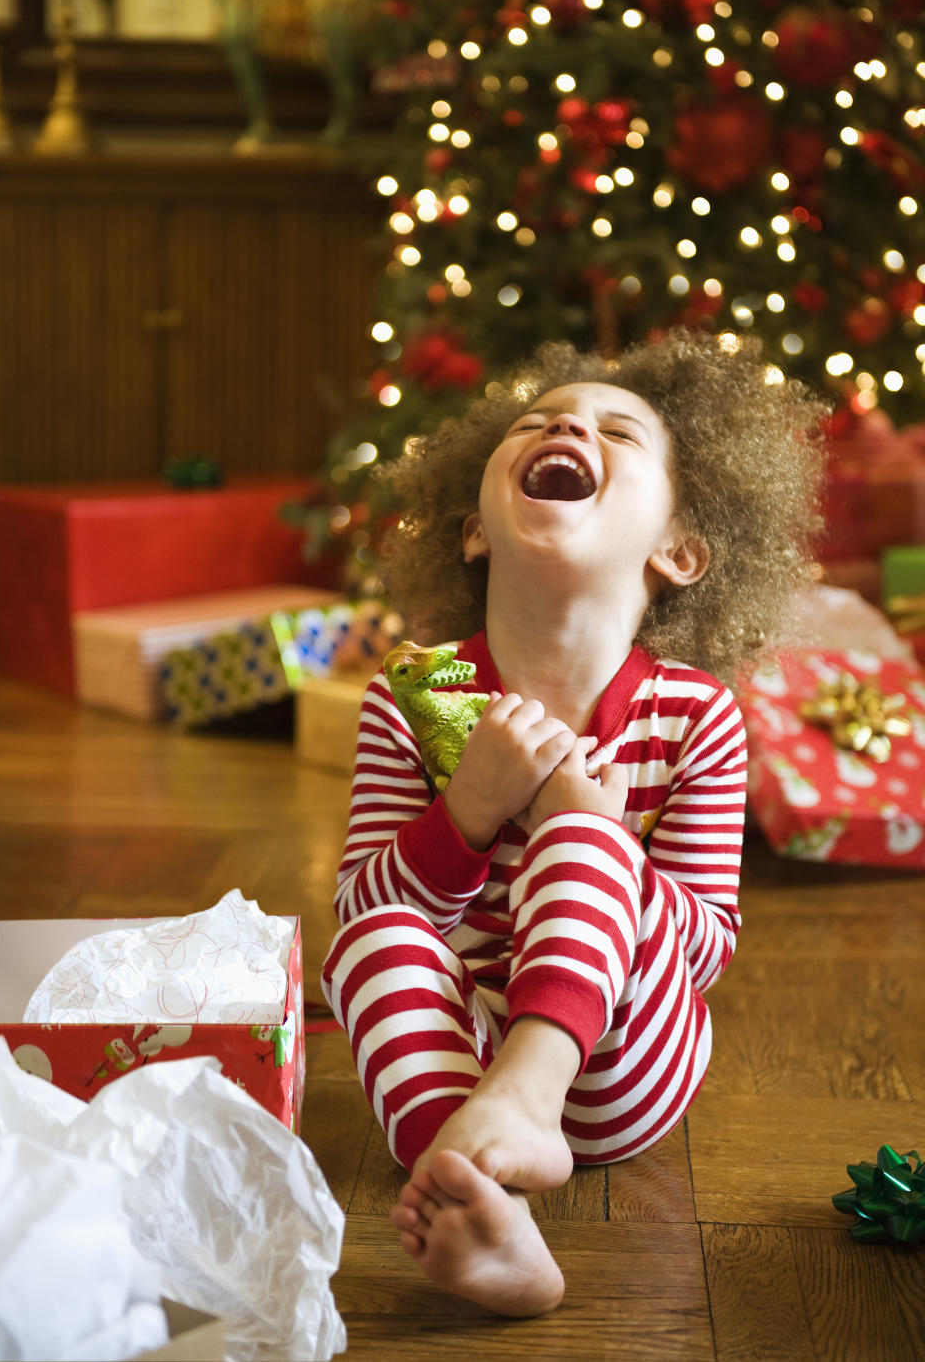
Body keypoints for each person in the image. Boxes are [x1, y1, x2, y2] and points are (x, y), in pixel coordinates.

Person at [321, 331, 825, 1317]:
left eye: (616, 430)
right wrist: (469, 806)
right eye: (538, 422)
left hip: (621, 1066)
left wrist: (595, 834)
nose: (564, 424)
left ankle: (526, 1098)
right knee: (368, 942)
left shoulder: (694, 716)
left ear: (678, 551)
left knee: (585, 835)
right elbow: (361, 905)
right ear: (474, 531)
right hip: (456, 1065)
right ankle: (480, 1206)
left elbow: (705, 949)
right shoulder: (413, 701)